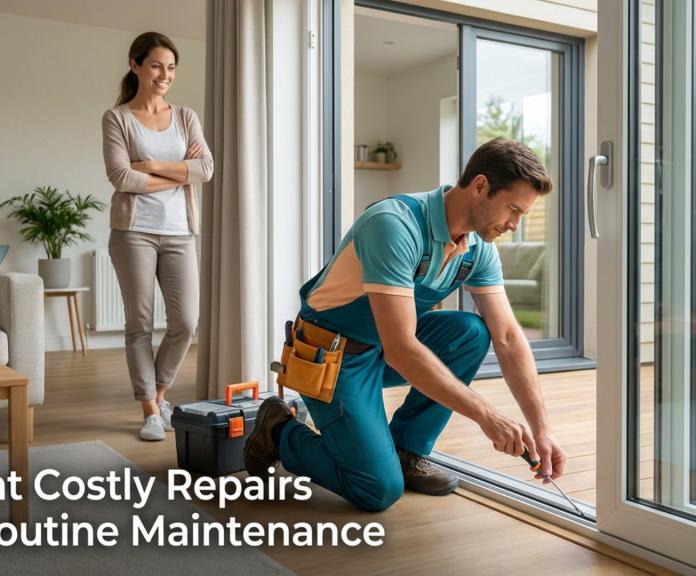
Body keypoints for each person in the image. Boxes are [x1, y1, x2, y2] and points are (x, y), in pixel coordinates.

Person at [244, 137, 567, 511]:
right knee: (376, 489)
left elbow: (509, 337)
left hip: (385, 347)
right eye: (513, 209)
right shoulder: (394, 225)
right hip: (334, 356)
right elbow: (401, 349)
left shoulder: (477, 248)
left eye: (522, 215)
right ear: (480, 186)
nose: (514, 225)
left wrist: (541, 429)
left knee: (471, 334)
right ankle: (278, 430)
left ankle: (405, 449)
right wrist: (487, 416)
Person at [101, 31, 213, 442]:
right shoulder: (117, 118)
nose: (165, 75)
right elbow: (120, 176)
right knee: (140, 325)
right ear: (135, 65)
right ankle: (149, 409)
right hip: (134, 232)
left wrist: (149, 164)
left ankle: (161, 394)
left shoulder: (185, 117)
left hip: (180, 232)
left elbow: (206, 170)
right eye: (156, 66)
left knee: (186, 322)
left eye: (170, 68)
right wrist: (175, 171)